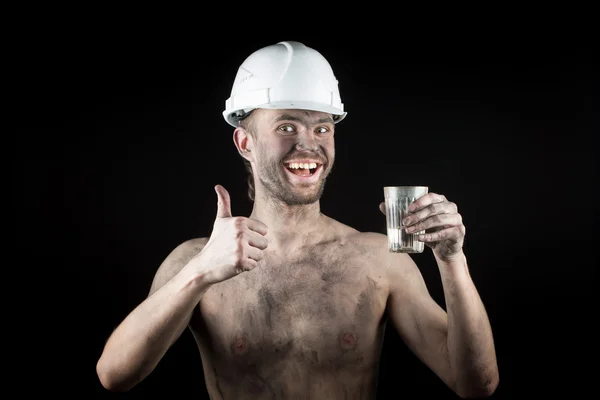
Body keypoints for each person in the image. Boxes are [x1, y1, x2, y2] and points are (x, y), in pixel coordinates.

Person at [96, 40, 499, 399]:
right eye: (286, 126)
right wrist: (201, 272)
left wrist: (451, 261)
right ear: (245, 142)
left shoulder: (378, 260)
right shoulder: (196, 261)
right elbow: (115, 375)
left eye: (322, 128)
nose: (309, 144)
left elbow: (475, 384)